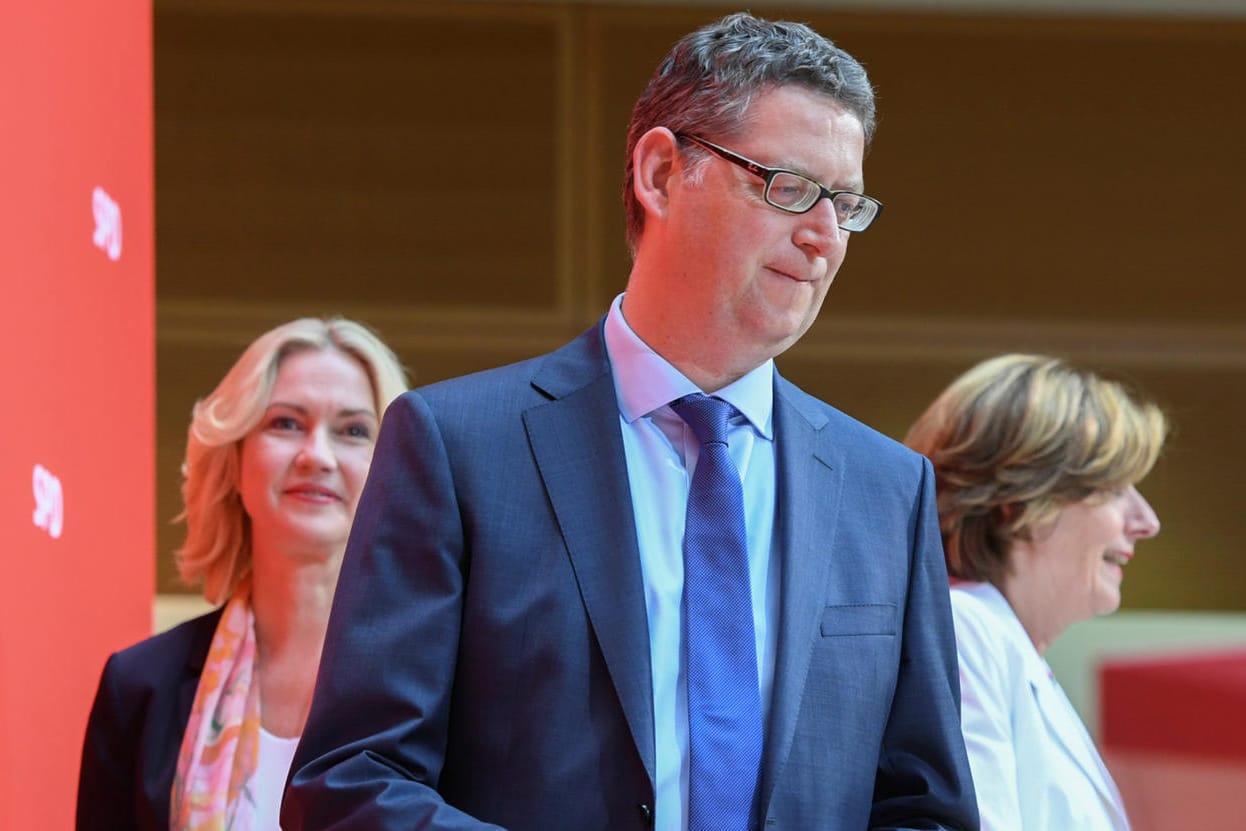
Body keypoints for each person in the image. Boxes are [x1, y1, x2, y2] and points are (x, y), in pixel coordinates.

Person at [284, 12, 977, 831]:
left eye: (848, 205)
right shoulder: (459, 447)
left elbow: (925, 808)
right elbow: (351, 781)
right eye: (789, 187)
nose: (825, 236)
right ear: (658, 173)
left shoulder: (886, 490)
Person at [75, 317, 409, 831]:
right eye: (286, 423)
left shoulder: (443, 681)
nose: (315, 455)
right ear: (234, 461)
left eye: (354, 431)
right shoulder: (140, 687)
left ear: (394, 469)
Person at [904, 353, 1166, 831]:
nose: (1147, 522)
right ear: (1020, 502)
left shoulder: (1007, 646)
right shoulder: (965, 631)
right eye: (1114, 488)